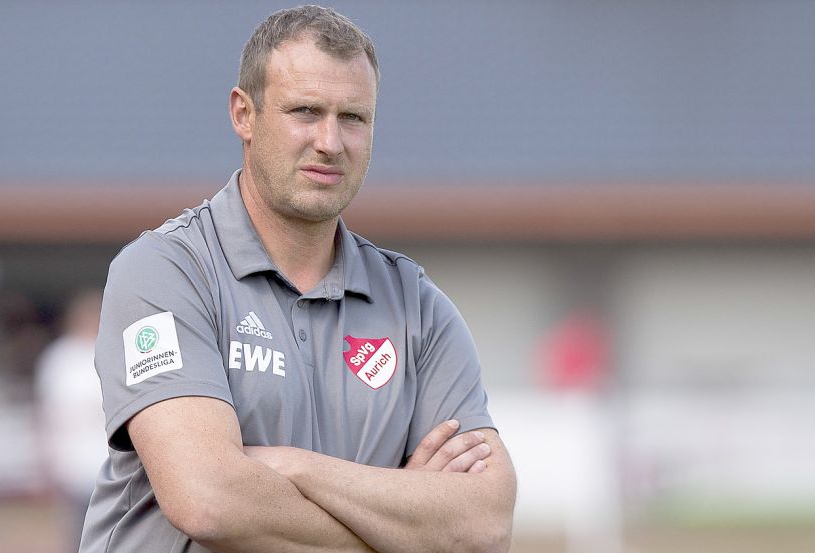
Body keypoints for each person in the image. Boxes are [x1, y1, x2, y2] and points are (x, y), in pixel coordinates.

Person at [80, 6, 516, 553]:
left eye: (354, 117)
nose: (331, 142)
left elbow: (485, 523)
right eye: (305, 111)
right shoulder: (166, 274)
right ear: (244, 113)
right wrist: (406, 522)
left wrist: (294, 468)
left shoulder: (417, 308)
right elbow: (208, 500)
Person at [34, 289, 108, 553]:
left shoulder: (113, 351)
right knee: (77, 531)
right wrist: (47, 455)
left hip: (109, 459)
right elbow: (49, 411)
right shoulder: (61, 356)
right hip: (74, 458)